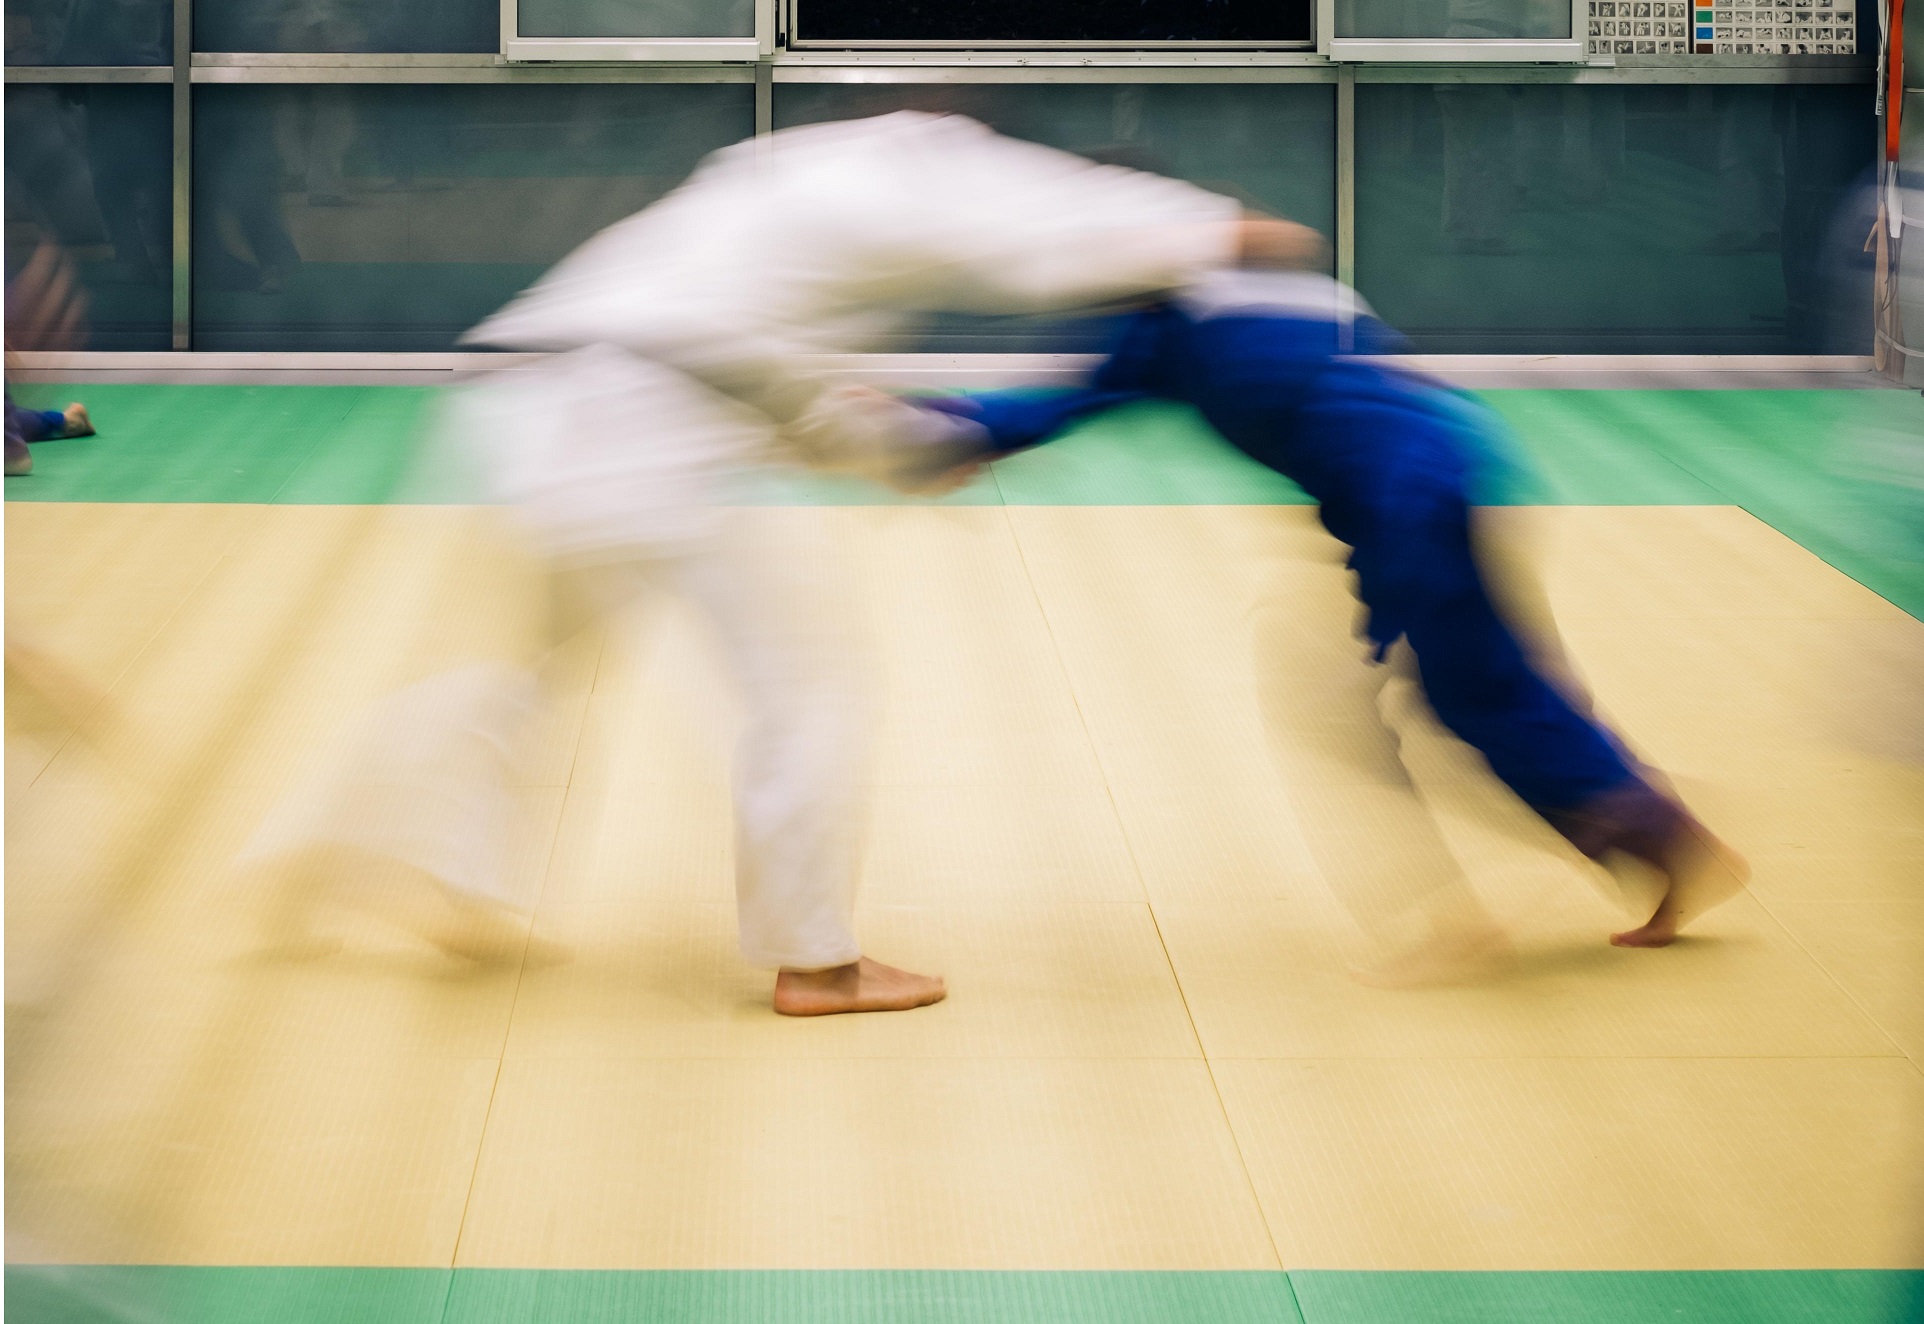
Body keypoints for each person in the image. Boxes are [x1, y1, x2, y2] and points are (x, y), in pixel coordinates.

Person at [242, 111, 1316, 1015]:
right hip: (643, 432)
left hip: (526, 406)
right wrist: (1215, 230)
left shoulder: (771, 174)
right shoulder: (917, 164)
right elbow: (1039, 227)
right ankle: (816, 959)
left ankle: (345, 843)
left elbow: (758, 364)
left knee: (525, 662)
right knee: (810, 678)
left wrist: (894, 446)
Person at [909, 265, 1749, 972]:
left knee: (1423, 704)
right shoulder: (1256, 294)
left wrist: (942, 429)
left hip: (1410, 504)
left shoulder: (1173, 324)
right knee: (1483, 694)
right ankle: (1657, 839)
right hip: (1449, 471)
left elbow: (1071, 402)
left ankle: (1474, 918)